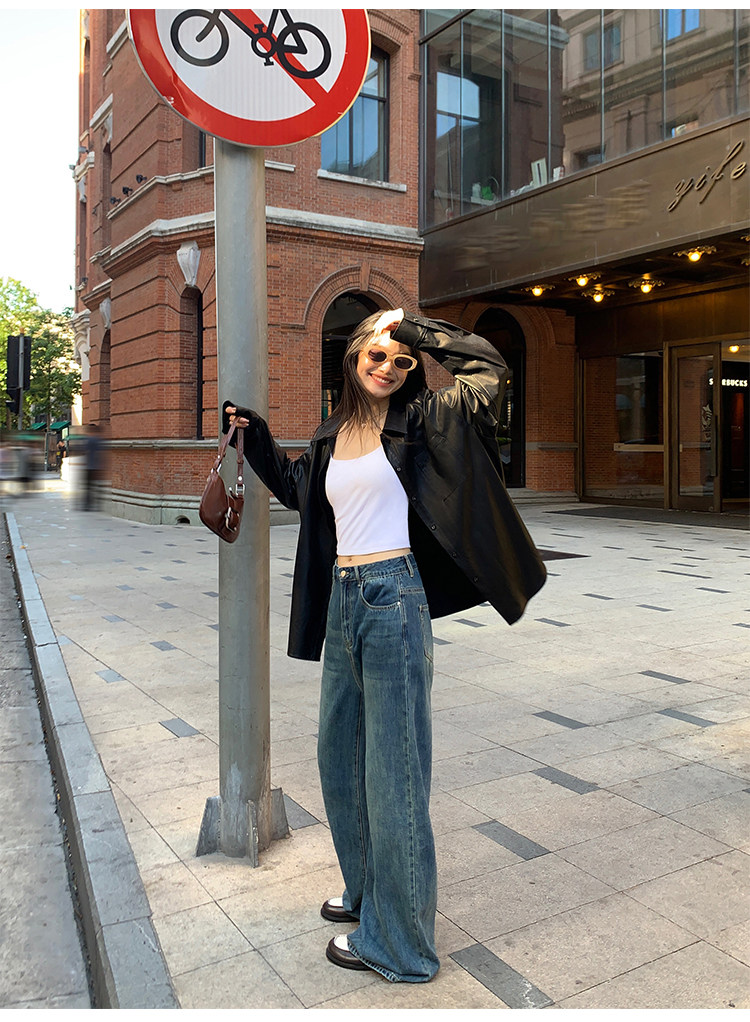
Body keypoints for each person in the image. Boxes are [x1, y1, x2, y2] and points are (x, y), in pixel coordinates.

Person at [223, 308, 546, 984]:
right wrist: (256, 436)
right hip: (344, 601)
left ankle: (401, 946)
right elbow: (300, 492)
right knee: (339, 760)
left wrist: (413, 329)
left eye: (401, 360)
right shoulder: (335, 430)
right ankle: (369, 894)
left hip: (394, 599)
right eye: (377, 353)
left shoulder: (425, 419)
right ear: (352, 357)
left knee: (394, 773)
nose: (389, 367)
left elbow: (488, 368)